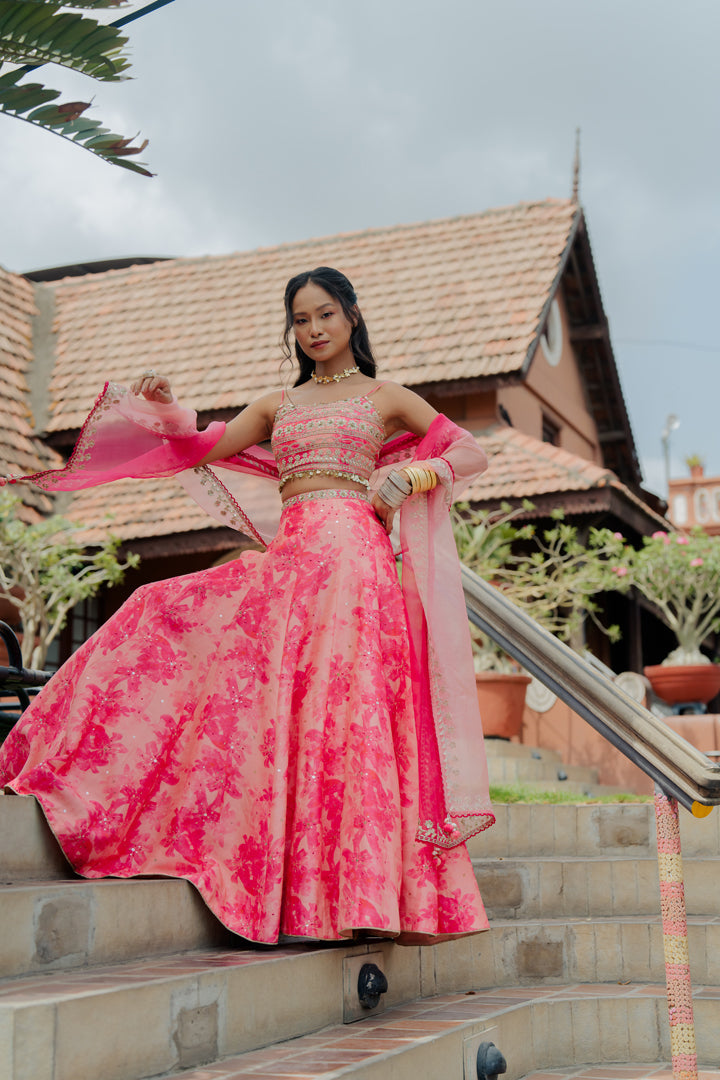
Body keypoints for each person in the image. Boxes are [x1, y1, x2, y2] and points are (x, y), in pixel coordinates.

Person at [0, 267, 494, 945]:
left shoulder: (387, 398)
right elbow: (197, 448)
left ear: (351, 314)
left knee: (343, 722)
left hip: (355, 568)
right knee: (157, 606)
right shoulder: (276, 406)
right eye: (301, 319)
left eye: (325, 314)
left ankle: (361, 902)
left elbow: (471, 452)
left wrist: (411, 474)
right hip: (291, 567)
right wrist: (167, 411)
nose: (314, 329)